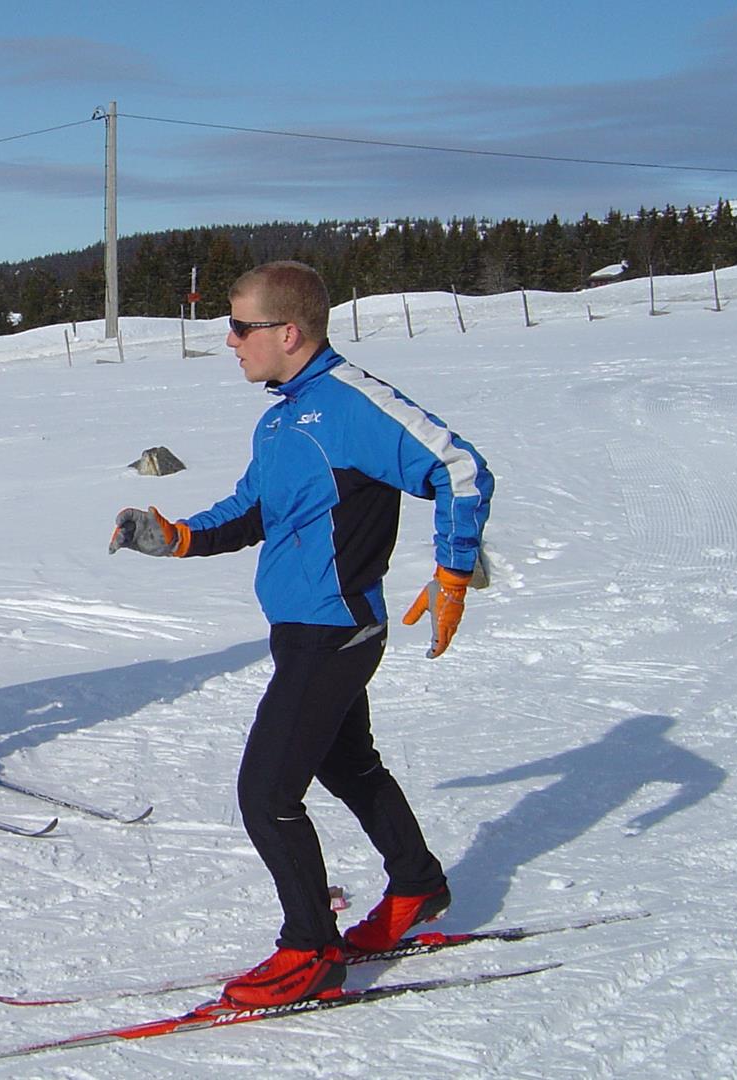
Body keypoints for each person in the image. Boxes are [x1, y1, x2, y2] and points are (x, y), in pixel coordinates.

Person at [109, 261, 493, 1009]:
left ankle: (311, 948)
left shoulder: (351, 405)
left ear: (289, 332)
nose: (229, 341)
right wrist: (176, 535)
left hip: (338, 630)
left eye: (241, 327)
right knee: (349, 766)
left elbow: (460, 466)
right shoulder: (281, 416)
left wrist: (452, 571)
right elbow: (255, 510)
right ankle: (416, 886)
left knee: (266, 792)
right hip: (299, 628)